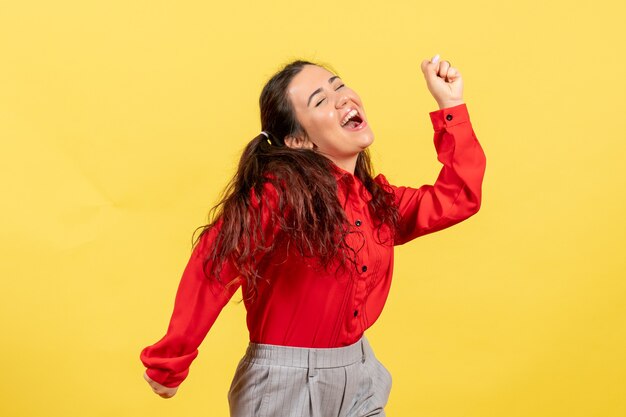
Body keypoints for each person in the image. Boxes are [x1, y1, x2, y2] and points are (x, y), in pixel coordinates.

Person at [140, 54, 486, 416]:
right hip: (284, 387)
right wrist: (171, 359)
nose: (342, 98)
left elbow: (458, 198)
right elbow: (215, 263)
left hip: (359, 375)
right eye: (320, 100)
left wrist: (451, 105)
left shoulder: (375, 203)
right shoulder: (279, 197)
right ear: (297, 139)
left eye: (338, 85)